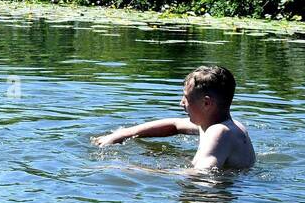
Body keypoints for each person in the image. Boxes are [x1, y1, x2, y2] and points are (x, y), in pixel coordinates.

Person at [94, 65, 255, 170]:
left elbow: (201, 175)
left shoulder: (219, 132)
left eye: (186, 98)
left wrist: (135, 169)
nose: (181, 103)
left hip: (210, 200)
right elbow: (174, 125)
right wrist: (122, 134)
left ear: (206, 103)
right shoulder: (225, 125)